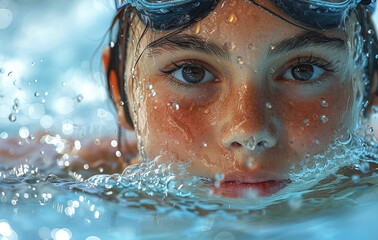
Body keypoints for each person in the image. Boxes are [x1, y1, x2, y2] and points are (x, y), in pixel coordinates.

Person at [99, 0, 378, 197]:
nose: (249, 132)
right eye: (192, 73)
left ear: (369, 85)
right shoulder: (67, 183)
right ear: (120, 94)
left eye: (302, 72)